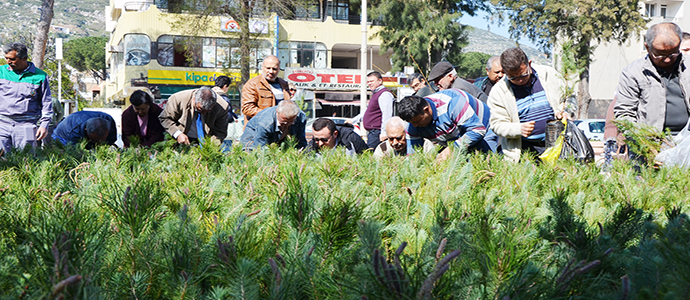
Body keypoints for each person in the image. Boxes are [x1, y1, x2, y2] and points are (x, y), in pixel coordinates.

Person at [487, 47, 570, 162]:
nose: (520, 80)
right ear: (505, 72)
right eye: (513, 78)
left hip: (558, 145)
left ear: (529, 64)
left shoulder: (549, 75)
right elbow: (496, 124)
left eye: (523, 75)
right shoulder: (498, 92)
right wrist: (518, 129)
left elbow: (569, 97)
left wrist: (565, 111)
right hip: (525, 152)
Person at [615, 22, 690, 137]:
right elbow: (625, 114)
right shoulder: (633, 73)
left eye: (672, 54)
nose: (667, 60)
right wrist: (642, 141)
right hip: (652, 143)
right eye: (660, 55)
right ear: (647, 47)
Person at [398, 89, 498, 161]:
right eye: (411, 123)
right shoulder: (412, 125)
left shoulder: (452, 104)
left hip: (485, 128)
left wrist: (451, 149)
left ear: (426, 110)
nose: (415, 126)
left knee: (488, 163)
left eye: (418, 121)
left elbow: (477, 130)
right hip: (459, 137)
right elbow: (413, 157)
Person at [0, 42, 52, 155]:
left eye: (12, 59)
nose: (8, 62)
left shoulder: (40, 76)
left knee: (26, 161)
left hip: (26, 126)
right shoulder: (1, 72)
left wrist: (44, 125)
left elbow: (47, 103)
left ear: (24, 58)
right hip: (2, 124)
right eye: (6, 58)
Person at [159, 86, 229, 145]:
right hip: (179, 139)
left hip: (205, 140)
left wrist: (211, 145)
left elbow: (220, 131)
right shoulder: (177, 99)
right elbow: (165, 118)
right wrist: (177, 134)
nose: (204, 113)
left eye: (208, 111)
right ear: (194, 99)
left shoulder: (222, 107)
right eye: (200, 109)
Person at [350, 71, 395, 149]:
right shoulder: (375, 94)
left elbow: (387, 114)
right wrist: (353, 120)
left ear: (380, 81)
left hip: (378, 132)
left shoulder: (384, 94)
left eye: (372, 81)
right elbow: (366, 111)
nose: (369, 83)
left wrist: (384, 132)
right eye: (368, 81)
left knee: (372, 154)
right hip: (373, 132)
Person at [241, 55, 291, 123]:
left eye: (274, 69)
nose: (271, 71)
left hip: (280, 129)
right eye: (268, 68)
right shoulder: (252, 84)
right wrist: (271, 115)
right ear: (262, 67)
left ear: (279, 68)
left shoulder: (284, 84)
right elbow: (247, 108)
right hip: (258, 129)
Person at [240, 100, 307, 150]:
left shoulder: (301, 117)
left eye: (290, 122)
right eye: (284, 121)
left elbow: (300, 141)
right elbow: (260, 148)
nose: (287, 125)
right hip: (252, 138)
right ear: (277, 112)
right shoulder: (265, 123)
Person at [52, 111, 116, 147]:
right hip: (62, 136)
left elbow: (111, 140)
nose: (98, 143)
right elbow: (76, 153)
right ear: (86, 130)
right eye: (95, 140)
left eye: (101, 140)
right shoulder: (73, 132)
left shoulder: (109, 120)